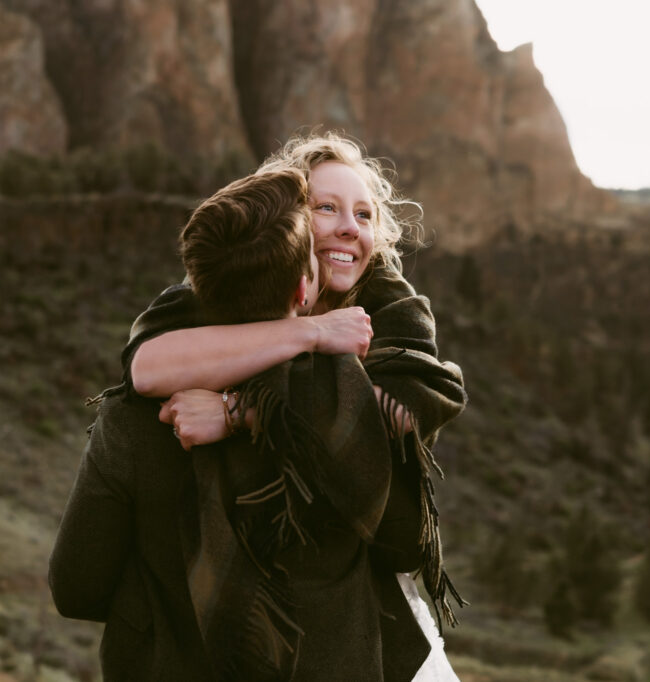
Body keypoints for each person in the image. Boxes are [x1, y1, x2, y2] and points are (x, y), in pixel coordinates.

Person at [49, 169, 449, 681]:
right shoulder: (347, 419)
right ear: (305, 286)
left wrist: (168, 599)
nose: (348, 227)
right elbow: (403, 543)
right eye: (324, 210)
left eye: (363, 213)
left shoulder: (129, 420)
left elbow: (77, 587)